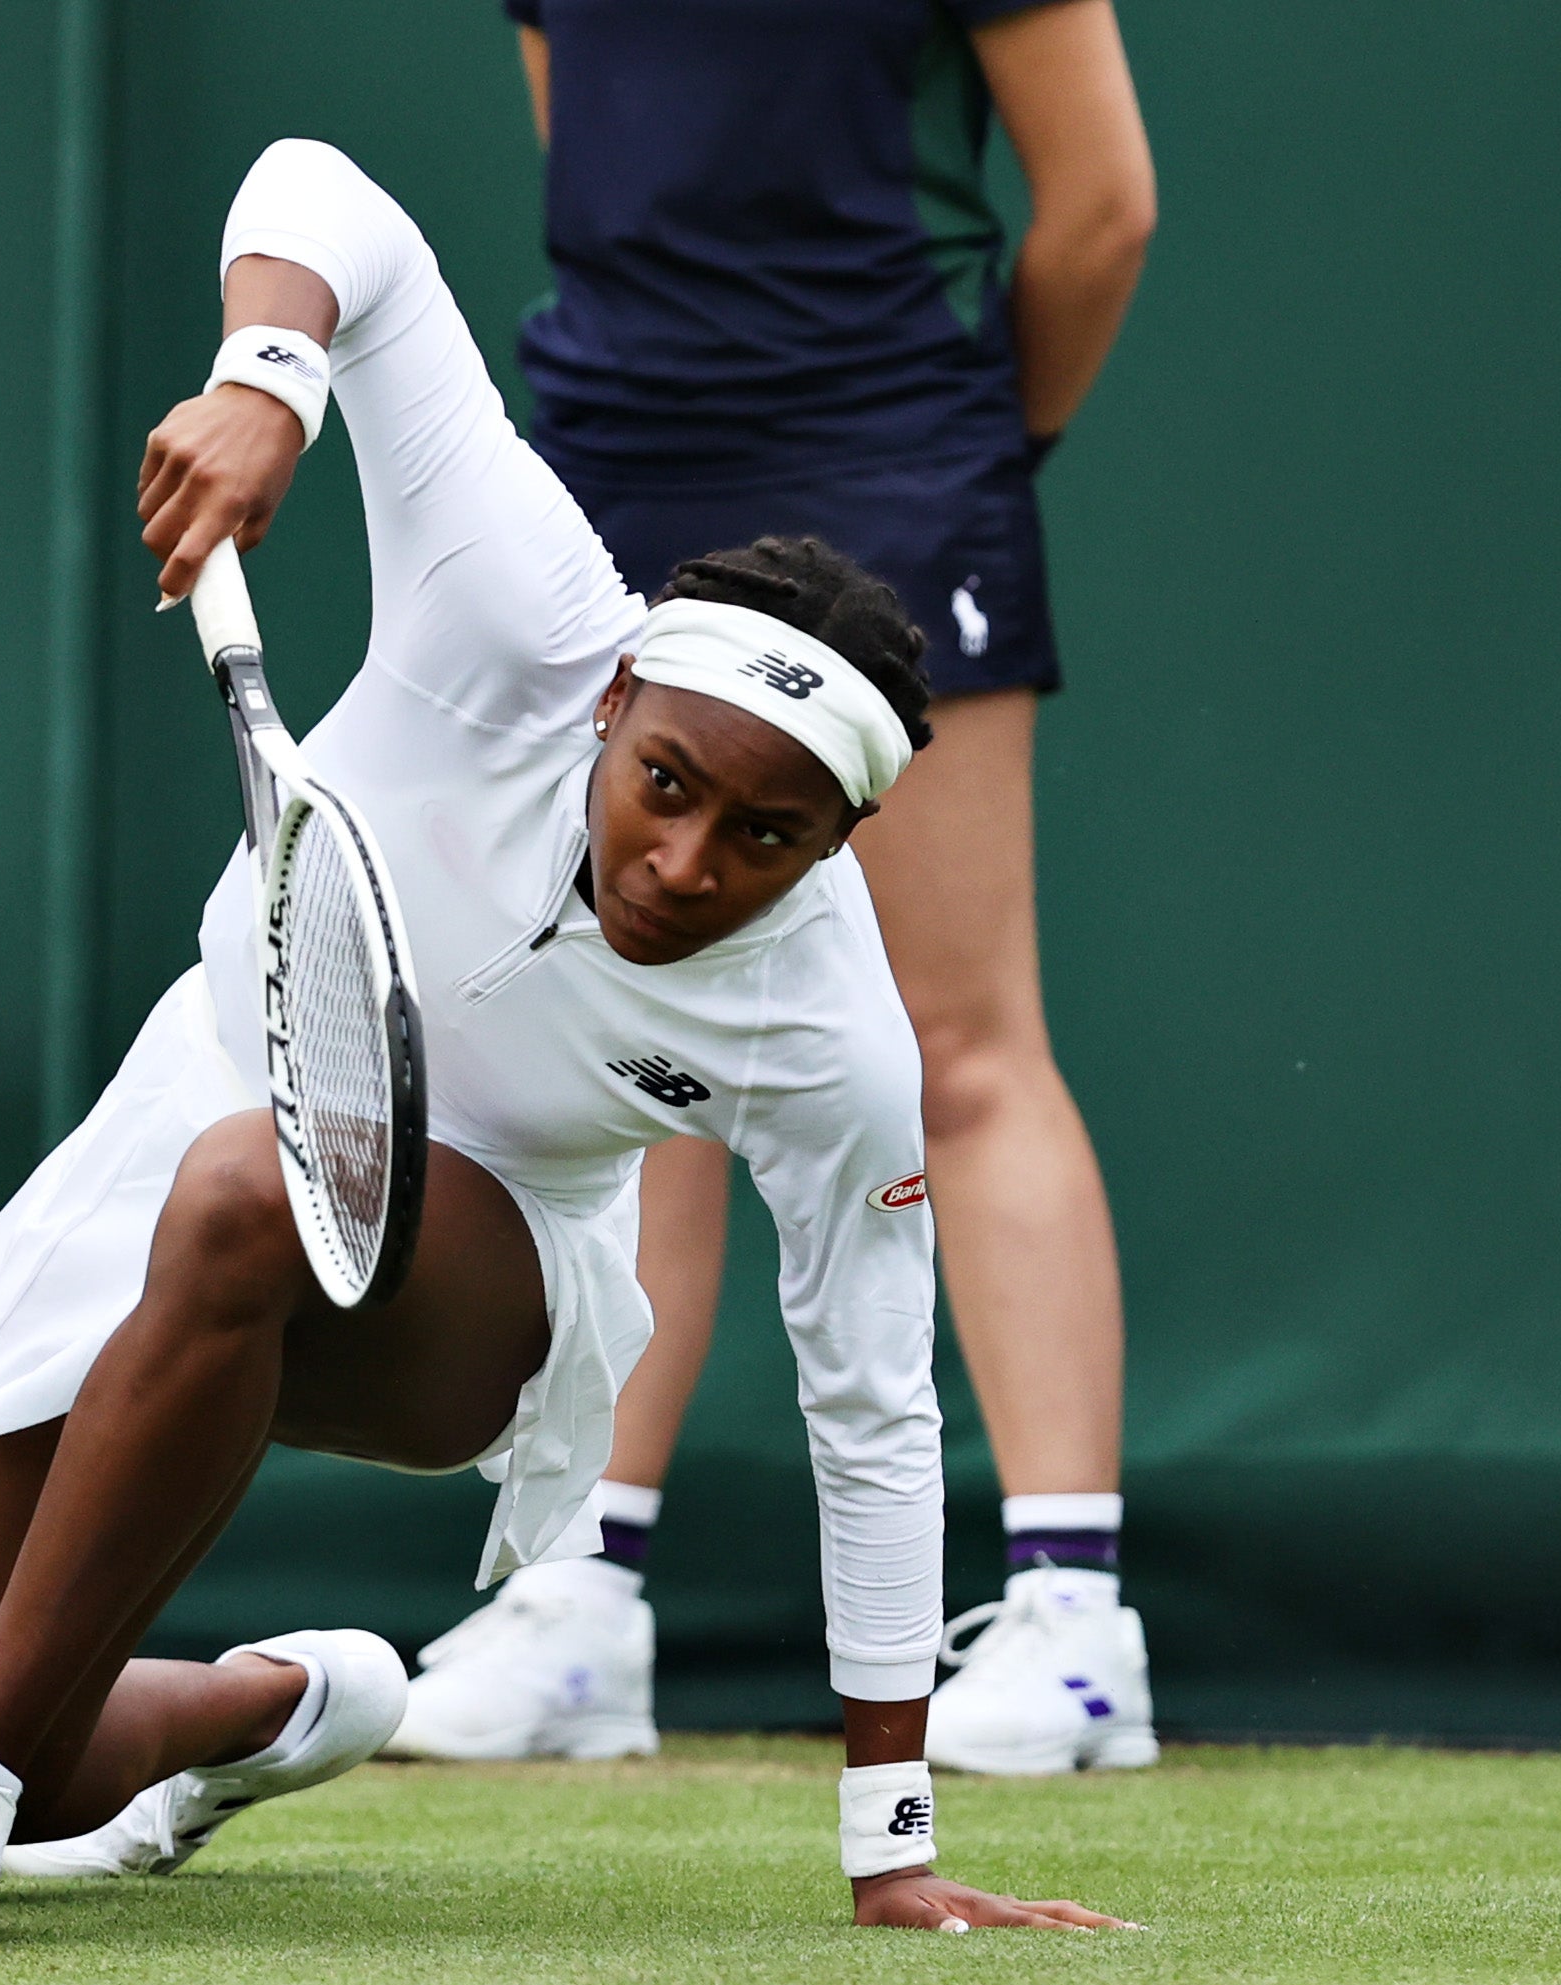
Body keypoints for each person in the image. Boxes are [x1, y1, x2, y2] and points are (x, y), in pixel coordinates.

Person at [0, 139, 1126, 1946]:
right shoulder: (518, 601)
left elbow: (875, 1413)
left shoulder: (827, 1030)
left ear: (836, 849)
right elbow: (320, 193)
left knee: (240, 1207)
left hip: (473, 1306)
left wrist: (885, 1846)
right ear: (610, 698)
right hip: (206, 1103)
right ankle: (268, 1706)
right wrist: (266, 382)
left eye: (763, 839)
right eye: (664, 783)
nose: (683, 864)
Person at [387, 0, 1159, 1777]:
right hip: (613, 450)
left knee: (960, 1046)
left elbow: (1100, 204)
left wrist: (970, 459)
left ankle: (1073, 1622)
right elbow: (585, 146)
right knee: (616, 1020)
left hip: (888, 442)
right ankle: (577, 1596)